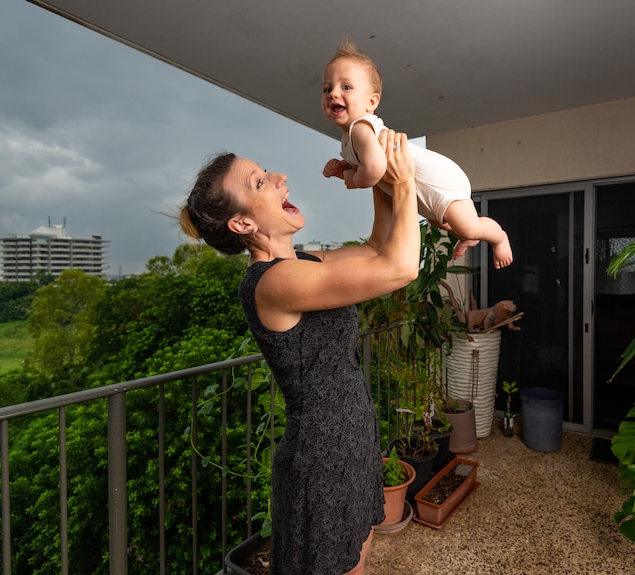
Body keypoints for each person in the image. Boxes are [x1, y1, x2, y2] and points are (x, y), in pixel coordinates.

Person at [179, 129, 420, 575]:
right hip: (321, 461)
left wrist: (379, 180)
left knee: (358, 560)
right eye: (259, 182)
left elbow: (375, 249)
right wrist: (404, 184)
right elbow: (399, 267)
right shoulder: (272, 283)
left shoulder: (304, 264)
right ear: (242, 224)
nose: (279, 177)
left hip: (351, 440)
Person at [321, 38, 514, 269]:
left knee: (469, 225)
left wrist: (352, 179)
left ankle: (499, 237)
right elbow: (365, 163)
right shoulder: (351, 137)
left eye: (346, 87)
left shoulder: (360, 129)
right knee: (443, 223)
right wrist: (342, 168)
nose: (333, 93)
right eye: (327, 88)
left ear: (371, 102)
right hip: (423, 188)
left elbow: (373, 168)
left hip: (440, 181)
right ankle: (467, 237)